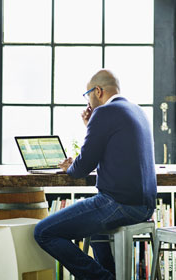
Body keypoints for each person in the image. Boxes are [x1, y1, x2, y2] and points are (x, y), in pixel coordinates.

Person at [34, 69, 157, 280]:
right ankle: (109, 274)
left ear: (98, 91)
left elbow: (81, 168)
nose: (88, 101)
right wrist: (91, 125)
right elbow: (110, 150)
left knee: (44, 232)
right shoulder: (137, 110)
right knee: (96, 229)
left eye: (87, 95)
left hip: (119, 204)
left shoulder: (105, 113)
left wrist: (68, 167)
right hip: (145, 206)